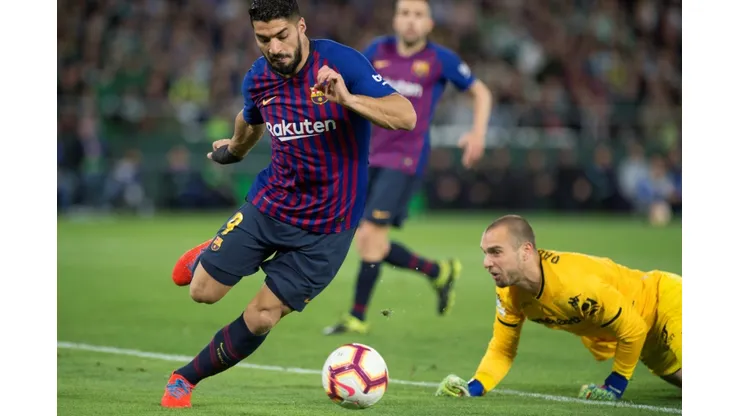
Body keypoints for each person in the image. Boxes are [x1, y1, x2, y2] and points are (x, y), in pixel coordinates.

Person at [160, 0, 416, 408]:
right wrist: (235, 151)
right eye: (263, 39)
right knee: (202, 292)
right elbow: (250, 119)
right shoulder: (258, 78)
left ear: (301, 27)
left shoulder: (342, 63)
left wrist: (347, 99)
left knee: (261, 316)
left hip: (328, 228)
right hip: (271, 206)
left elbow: (405, 116)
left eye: (281, 35)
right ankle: (210, 256)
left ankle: (184, 379)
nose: (274, 47)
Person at [322, 0, 493, 336]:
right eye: (405, 13)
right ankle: (438, 271)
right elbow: (350, 87)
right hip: (367, 156)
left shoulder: (440, 59)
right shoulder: (377, 50)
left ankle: (357, 316)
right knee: (370, 241)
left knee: (370, 236)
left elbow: (481, 92)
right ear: (395, 20)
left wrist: (478, 133)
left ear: (429, 24)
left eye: (418, 15)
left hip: (405, 160)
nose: (411, 21)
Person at [434, 215, 682, 401]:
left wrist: (615, 385)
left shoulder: (573, 283)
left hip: (665, 300)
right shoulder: (509, 292)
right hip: (643, 337)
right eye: (485, 253)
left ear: (526, 251)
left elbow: (633, 328)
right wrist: (472, 388)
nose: (486, 263)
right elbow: (502, 349)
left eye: (496, 252)